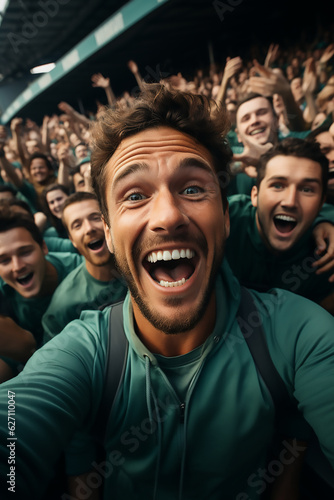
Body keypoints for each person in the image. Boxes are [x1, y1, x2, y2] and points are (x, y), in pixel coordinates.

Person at [0, 84, 333, 500]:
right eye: (135, 195)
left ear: (227, 217)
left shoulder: (300, 335)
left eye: (192, 189)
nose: (168, 215)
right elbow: (13, 429)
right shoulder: (84, 351)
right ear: (108, 232)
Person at [226, 137, 334, 312]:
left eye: (307, 190)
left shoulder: (325, 254)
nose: (290, 201)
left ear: (322, 203)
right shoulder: (225, 219)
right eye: (277, 185)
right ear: (255, 195)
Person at [0, 209, 82, 381]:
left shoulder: (79, 271)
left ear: (44, 247)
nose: (17, 266)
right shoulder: (5, 294)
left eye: (25, 252)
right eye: (4, 260)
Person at [42, 192, 128, 341]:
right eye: (77, 225)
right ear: (72, 240)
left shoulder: (144, 268)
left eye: (95, 218)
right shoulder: (63, 306)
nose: (89, 228)